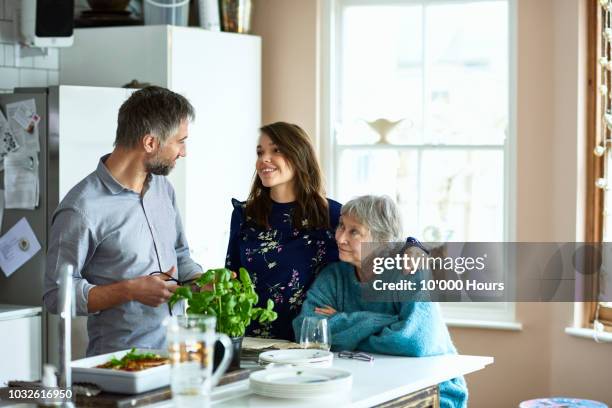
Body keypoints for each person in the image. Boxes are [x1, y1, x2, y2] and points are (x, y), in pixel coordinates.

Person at [44, 86, 202, 356]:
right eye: (180, 141)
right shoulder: (81, 207)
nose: (183, 152)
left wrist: (200, 280)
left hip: (176, 356)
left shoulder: (163, 189)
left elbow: (179, 254)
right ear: (150, 143)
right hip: (119, 363)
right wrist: (129, 291)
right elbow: (56, 296)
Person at [293, 195, 468, 408]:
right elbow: (307, 329)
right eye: (341, 226)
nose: (340, 238)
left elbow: (414, 341)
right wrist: (382, 321)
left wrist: (342, 326)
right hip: (364, 384)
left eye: (354, 231)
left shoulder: (410, 270)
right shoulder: (334, 275)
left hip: (430, 389)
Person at [225, 122, 341, 340]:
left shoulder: (331, 215)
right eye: (260, 152)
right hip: (252, 342)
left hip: (310, 342)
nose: (263, 159)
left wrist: (414, 247)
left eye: (276, 150)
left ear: (299, 155)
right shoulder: (244, 214)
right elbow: (231, 277)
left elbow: (376, 258)